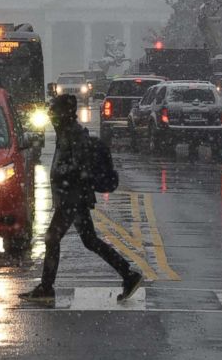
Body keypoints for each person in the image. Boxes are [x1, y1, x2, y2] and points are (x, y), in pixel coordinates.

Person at [19, 93, 143, 305]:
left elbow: (78, 167)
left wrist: (63, 174)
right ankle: (128, 274)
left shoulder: (74, 135)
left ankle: (46, 288)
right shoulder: (65, 132)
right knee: (90, 240)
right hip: (71, 197)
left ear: (66, 113)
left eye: (55, 112)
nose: (51, 116)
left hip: (72, 198)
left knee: (52, 238)